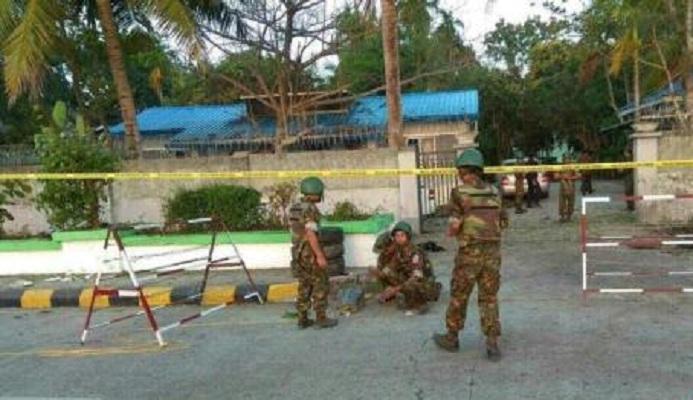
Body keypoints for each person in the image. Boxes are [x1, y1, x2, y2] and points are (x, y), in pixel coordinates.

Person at [433, 148, 508, 361]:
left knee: (459, 295)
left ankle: (452, 338)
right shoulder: (495, 191)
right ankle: (492, 343)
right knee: (489, 298)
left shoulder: (459, 193)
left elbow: (454, 226)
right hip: (492, 254)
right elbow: (503, 222)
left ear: (463, 171)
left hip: (469, 254)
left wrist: (452, 232)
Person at [288, 177, 338, 329]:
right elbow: (310, 233)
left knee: (304, 285)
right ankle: (321, 318)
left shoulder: (295, 207)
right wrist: (320, 256)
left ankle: (302, 318)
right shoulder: (310, 209)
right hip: (310, 253)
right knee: (320, 283)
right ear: (316, 191)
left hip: (298, 253)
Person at [370, 222, 440, 315]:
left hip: (422, 284)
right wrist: (379, 274)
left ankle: (420, 305)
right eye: (397, 236)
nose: (399, 238)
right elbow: (391, 267)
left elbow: (416, 277)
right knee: (389, 274)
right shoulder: (399, 251)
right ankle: (403, 295)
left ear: (408, 236)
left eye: (402, 235)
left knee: (412, 285)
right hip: (408, 279)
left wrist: (395, 289)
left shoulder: (415, 253)